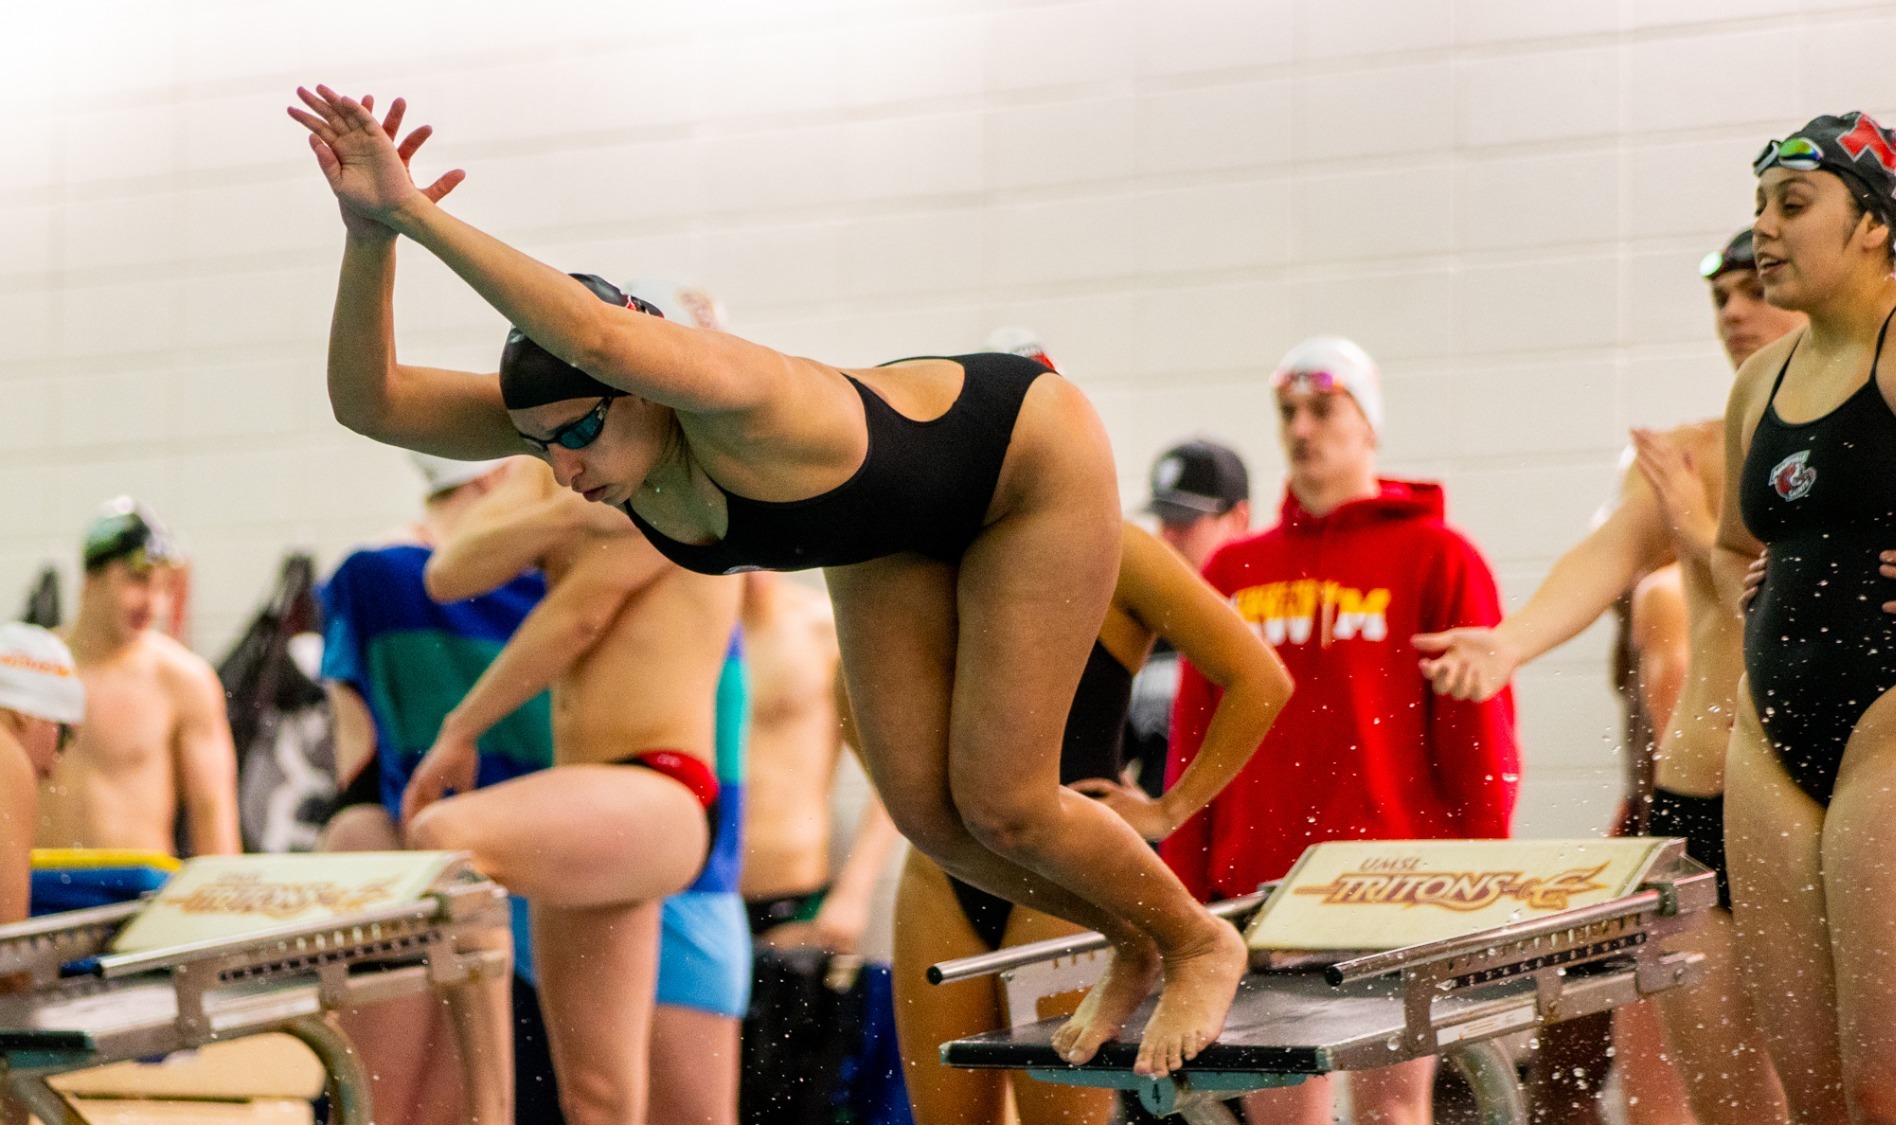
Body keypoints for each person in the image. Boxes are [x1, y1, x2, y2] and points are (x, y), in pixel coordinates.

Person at [288, 86, 1246, 1078]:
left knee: (1002, 799)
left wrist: (418, 212)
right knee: (930, 816)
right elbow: (373, 401)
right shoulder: (589, 421)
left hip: (1019, 463)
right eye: (541, 451)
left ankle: (1196, 940)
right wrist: (368, 240)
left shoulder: (738, 394)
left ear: (647, 384)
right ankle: (1133, 938)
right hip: (885, 530)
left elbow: (603, 335)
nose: (565, 468)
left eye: (579, 436)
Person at [1411, 228, 1800, 1125]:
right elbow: (1609, 552)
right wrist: (1509, 643)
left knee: (1846, 1092)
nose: (1734, 312)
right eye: (1720, 297)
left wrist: (1700, 530)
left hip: (1819, 791)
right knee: (1723, 1102)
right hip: (1700, 799)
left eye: (1754, 289)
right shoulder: (1688, 453)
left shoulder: (1874, 447)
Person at [1712, 110, 1896, 1124]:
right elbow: (1730, 544)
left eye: (1793, 205)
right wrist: (1767, 582)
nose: (1765, 229)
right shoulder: (1758, 380)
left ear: (1873, 221)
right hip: (1771, 739)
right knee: (1821, 1103)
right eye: (1758, 207)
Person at [1166, 336, 1518, 1125]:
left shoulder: (1440, 558)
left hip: (1393, 888)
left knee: (1393, 1112)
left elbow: (1480, 740)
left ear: (1369, 425)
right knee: (1280, 1113)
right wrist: (1183, 896)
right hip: (1257, 894)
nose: (1301, 428)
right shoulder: (1232, 574)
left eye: (1325, 409)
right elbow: (1192, 746)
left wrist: (1478, 888)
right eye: (1288, 411)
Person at [893, 513, 1290, 1125]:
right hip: (940, 870)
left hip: (1060, 871)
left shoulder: (1114, 546)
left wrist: (1169, 810)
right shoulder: (919, 547)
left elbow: (1260, 679)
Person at [412, 455, 747, 1125]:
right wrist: (565, 509)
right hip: (596, 806)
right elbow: (448, 574)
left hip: (661, 784)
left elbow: (577, 616)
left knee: (445, 837)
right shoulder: (561, 477)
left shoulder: (682, 481)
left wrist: (459, 729)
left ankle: (488, 1111)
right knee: (598, 1100)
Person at [317, 451, 543, 1125]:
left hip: (387, 848)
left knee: (376, 1105)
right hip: (499, 873)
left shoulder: (365, 578)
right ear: (492, 480)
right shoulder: (543, 582)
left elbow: (353, 747)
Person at [37, 499, 239, 857]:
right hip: (38, 898)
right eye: (138, 580)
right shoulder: (27, 671)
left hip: (135, 896)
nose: (153, 604)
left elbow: (212, 814)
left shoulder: (181, 680)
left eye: (164, 587)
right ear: (91, 577)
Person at [739, 570, 897, 954]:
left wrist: (853, 893)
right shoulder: (683, 635)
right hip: (688, 892)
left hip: (791, 897)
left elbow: (894, 778)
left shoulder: (821, 629)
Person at [1127, 438, 1254, 798]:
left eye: (1185, 521)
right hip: (1163, 850)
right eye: (1164, 519)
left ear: (1238, 519)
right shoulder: (1145, 631)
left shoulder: (1272, 626)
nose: (1167, 536)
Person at [1, 624, 85, 927]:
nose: (52, 767)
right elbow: (7, 951)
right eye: (61, 736)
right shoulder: (5, 755)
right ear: (26, 711)